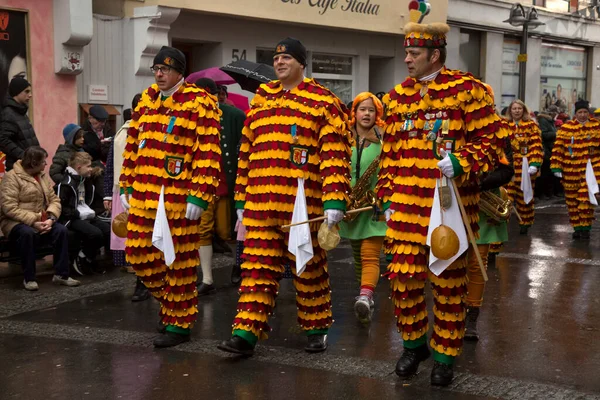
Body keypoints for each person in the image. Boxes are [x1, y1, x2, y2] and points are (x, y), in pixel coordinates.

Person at [377, 21, 506, 386]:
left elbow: (492, 142)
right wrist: (387, 195)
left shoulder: (470, 90)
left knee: (448, 284)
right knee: (402, 280)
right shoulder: (396, 97)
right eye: (406, 52)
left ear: (435, 55)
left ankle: (446, 354)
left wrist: (463, 161)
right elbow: (389, 155)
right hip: (404, 208)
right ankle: (414, 343)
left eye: (414, 53)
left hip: (449, 205)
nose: (407, 59)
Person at [217, 37, 352, 356]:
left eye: (287, 58)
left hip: (302, 207)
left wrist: (334, 201)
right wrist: (240, 201)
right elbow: (246, 152)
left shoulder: (323, 100)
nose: (279, 63)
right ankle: (245, 334)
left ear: (302, 63)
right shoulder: (262, 99)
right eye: (276, 58)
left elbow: (334, 154)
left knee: (309, 270)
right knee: (256, 270)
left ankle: (317, 329)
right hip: (260, 206)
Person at [119, 46, 221, 348]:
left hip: (180, 197)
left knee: (180, 261)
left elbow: (207, 152)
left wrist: (199, 195)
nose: (159, 74)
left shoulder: (201, 102)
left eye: (165, 69)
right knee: (138, 253)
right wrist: (126, 184)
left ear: (180, 72)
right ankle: (174, 305)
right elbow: (133, 146)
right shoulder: (147, 99)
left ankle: (179, 323)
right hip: (145, 193)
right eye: (156, 69)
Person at [0, 146, 80, 290]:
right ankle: (29, 278)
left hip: (42, 220)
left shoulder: (41, 176)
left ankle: (61, 275)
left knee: (61, 230)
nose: (46, 165)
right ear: (33, 163)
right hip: (15, 222)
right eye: (43, 161)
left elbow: (54, 200)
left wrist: (51, 218)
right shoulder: (12, 177)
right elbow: (9, 207)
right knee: (27, 233)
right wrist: (34, 221)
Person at [338, 92, 387, 324]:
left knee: (370, 255)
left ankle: (366, 296)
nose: (366, 114)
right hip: (352, 205)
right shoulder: (343, 138)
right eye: (362, 109)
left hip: (375, 205)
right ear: (354, 112)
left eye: (371, 110)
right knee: (358, 255)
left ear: (377, 114)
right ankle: (364, 295)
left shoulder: (385, 139)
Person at [465, 137, 514, 340]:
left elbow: (506, 171)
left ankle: (471, 316)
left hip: (483, 202)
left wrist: (479, 183)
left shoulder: (498, 133)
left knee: (477, 264)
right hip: (450, 201)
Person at [104, 93, 149, 301]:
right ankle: (137, 271)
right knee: (127, 231)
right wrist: (110, 192)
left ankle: (146, 278)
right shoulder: (122, 133)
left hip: (147, 190)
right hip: (124, 188)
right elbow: (112, 164)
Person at [551, 99, 600, 239]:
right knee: (572, 200)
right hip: (570, 169)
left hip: (591, 170)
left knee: (586, 199)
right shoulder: (566, 128)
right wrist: (556, 166)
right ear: (575, 113)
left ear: (588, 113)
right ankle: (577, 227)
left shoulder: (597, 127)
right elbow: (558, 148)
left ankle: (585, 228)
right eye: (580, 112)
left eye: (585, 112)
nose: (583, 115)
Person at [56, 152, 110, 275]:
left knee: (107, 231)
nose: (91, 169)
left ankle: (86, 256)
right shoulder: (66, 184)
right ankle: (82, 258)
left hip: (86, 213)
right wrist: (79, 214)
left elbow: (88, 199)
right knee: (95, 234)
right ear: (79, 167)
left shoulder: (85, 180)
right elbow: (62, 208)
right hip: (72, 218)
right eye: (88, 166)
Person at [504, 100, 543, 235]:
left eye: (519, 108)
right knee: (507, 196)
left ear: (524, 110)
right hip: (508, 167)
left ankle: (525, 223)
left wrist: (534, 164)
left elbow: (536, 146)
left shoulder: (532, 126)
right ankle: (503, 223)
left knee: (524, 196)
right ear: (510, 111)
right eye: (514, 108)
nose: (517, 111)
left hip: (526, 166)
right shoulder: (504, 125)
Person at [0, 77, 39, 171]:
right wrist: (24, 156)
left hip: (28, 167)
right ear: (17, 92)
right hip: (18, 168)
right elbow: (3, 140)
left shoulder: (20, 111)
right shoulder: (8, 113)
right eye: (26, 91)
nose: (30, 95)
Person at [535, 108, 558, 200]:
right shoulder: (544, 121)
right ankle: (542, 193)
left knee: (548, 173)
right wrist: (556, 133)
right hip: (546, 149)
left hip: (550, 149)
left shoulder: (550, 121)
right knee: (544, 174)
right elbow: (544, 134)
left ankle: (548, 193)